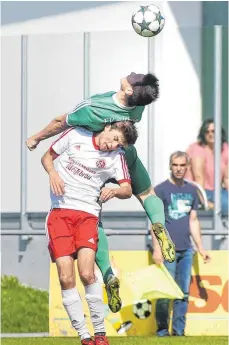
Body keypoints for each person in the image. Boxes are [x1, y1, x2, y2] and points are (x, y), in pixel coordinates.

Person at [26, 71, 175, 313]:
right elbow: (141, 91)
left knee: (93, 218)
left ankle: (107, 273)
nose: (130, 74)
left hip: (99, 156)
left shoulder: (94, 108)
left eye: (133, 78)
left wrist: (37, 137)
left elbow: (59, 122)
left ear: (129, 91)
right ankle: (159, 224)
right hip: (125, 153)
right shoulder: (138, 106)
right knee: (148, 193)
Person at [42, 121, 138, 345]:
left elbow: (127, 189)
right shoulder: (76, 135)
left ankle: (100, 333)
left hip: (87, 216)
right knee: (66, 277)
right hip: (59, 214)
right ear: (107, 127)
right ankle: (84, 335)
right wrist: (53, 173)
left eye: (118, 144)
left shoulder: (116, 157)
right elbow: (46, 157)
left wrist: (114, 191)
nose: (112, 145)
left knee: (86, 273)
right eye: (114, 138)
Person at [154, 151, 211, 337]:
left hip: (187, 250)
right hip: (166, 249)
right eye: (175, 165)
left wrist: (201, 249)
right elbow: (156, 223)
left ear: (187, 167)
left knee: (183, 293)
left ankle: (179, 333)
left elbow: (193, 221)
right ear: (170, 166)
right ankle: (162, 332)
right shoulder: (161, 189)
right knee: (165, 293)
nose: (178, 169)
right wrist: (158, 249)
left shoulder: (191, 190)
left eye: (182, 165)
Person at [186, 118, 228, 216]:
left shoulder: (225, 148)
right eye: (207, 132)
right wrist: (206, 202)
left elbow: (227, 178)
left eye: (213, 131)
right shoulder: (197, 148)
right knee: (226, 205)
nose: (210, 134)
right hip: (199, 190)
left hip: (217, 190)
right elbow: (199, 178)